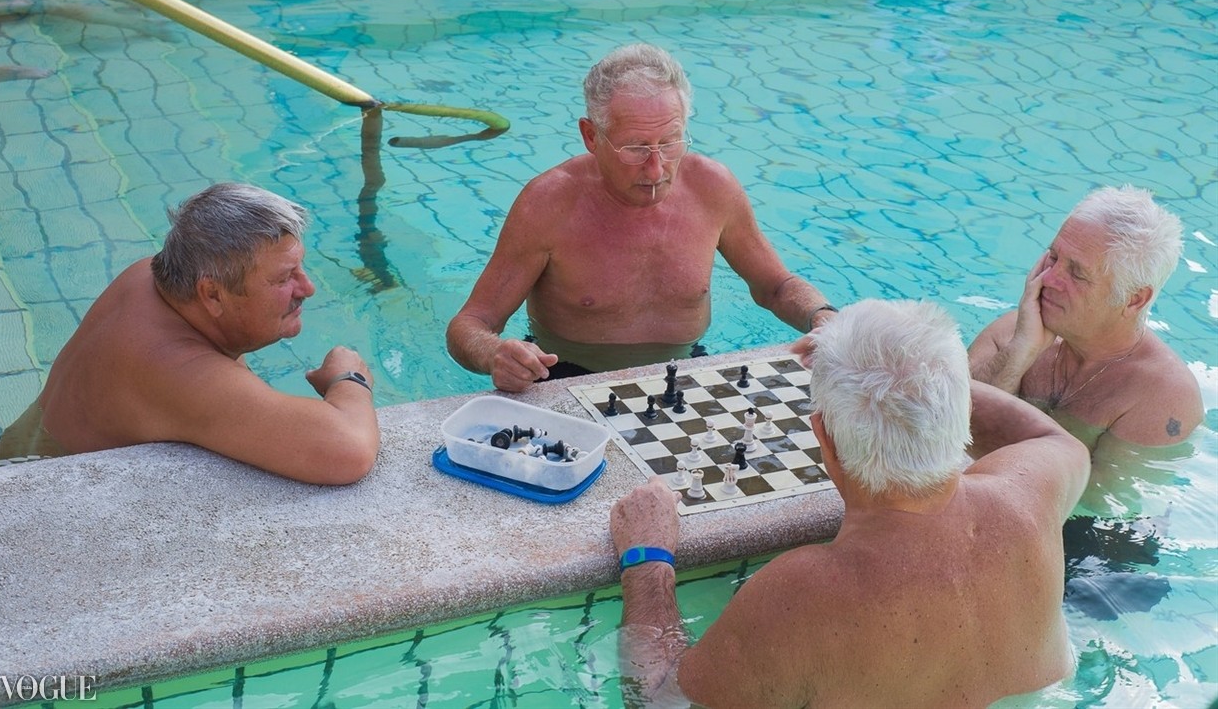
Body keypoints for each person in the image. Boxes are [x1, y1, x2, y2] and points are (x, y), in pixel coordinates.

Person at [609, 299, 1090, 708]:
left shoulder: (803, 593)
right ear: (962, 406)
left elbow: (659, 700)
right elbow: (1055, 437)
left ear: (826, 438)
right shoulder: (1032, 495)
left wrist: (647, 559)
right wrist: (930, 379)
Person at [446, 43, 836, 392]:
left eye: (670, 143)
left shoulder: (712, 187)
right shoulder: (547, 205)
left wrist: (824, 317)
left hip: (684, 368)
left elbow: (776, 286)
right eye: (635, 148)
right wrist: (495, 354)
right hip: (566, 377)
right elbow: (469, 325)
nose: (656, 170)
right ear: (591, 136)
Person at [0, 183, 379, 485]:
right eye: (284, 278)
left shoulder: (148, 275)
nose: (307, 288)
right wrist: (348, 379)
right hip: (36, 490)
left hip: (12, 453)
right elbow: (349, 450)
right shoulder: (178, 371)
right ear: (211, 294)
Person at [969, 185, 1203, 451]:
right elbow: (940, 434)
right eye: (1053, 257)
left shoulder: (1162, 399)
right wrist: (1018, 352)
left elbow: (1096, 493)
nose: (1048, 278)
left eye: (1077, 273)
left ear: (1134, 299)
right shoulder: (1013, 332)